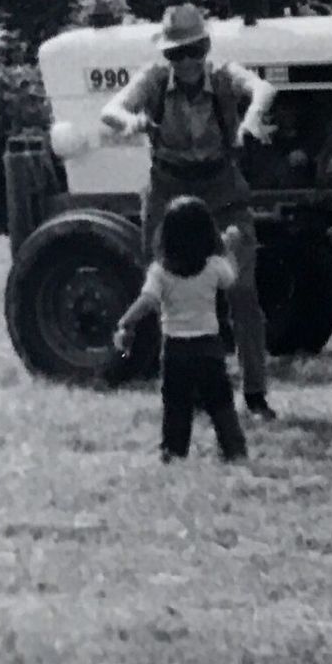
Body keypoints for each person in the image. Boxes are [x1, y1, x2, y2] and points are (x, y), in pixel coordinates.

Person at [101, 4, 280, 421]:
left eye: (193, 50)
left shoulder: (223, 77)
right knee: (174, 295)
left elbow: (264, 90)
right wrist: (130, 122)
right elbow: (110, 111)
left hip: (222, 195)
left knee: (242, 292)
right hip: (171, 194)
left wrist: (251, 118)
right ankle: (190, 391)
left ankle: (255, 393)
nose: (185, 62)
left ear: (206, 47)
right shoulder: (153, 80)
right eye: (175, 54)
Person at [114, 195, 249, 464]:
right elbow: (231, 279)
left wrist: (125, 322)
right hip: (209, 346)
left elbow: (148, 301)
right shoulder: (213, 266)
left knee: (176, 405)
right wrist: (230, 247)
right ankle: (234, 450)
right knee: (220, 402)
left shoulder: (160, 271)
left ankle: (174, 452)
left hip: (175, 349)